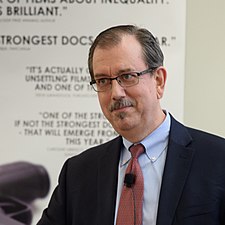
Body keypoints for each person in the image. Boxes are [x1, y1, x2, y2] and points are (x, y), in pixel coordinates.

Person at [37, 25, 225, 225]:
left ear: (159, 81)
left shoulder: (218, 161)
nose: (116, 93)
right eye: (103, 81)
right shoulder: (77, 173)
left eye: (127, 76)